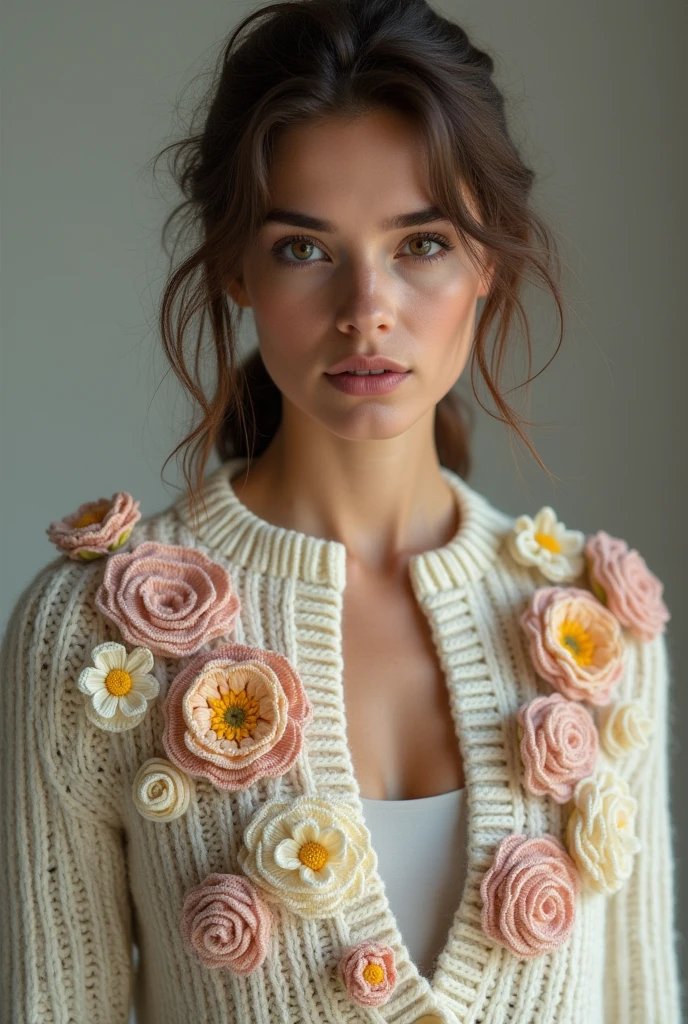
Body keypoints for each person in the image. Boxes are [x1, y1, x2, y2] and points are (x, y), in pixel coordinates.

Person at [1, 0, 681, 1021]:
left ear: (485, 262)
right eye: (304, 250)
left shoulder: (598, 632)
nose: (367, 306)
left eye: (421, 243)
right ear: (235, 266)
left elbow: (641, 1002)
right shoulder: (90, 635)